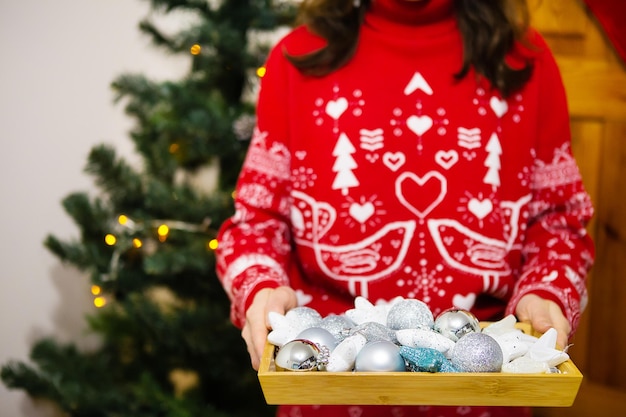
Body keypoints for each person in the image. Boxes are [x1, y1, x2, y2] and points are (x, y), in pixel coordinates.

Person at [215, 0, 595, 416]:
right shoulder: (297, 59)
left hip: (487, 394)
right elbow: (256, 225)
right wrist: (260, 287)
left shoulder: (527, 61)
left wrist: (545, 291)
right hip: (327, 392)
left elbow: (558, 224)